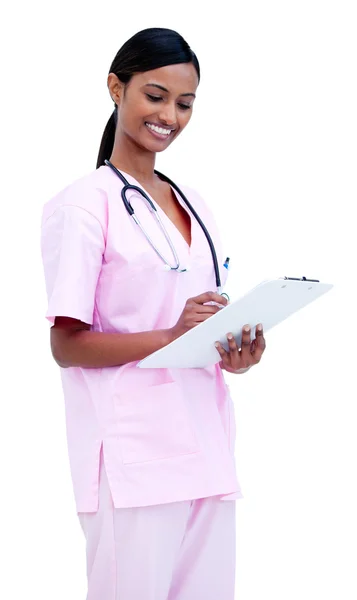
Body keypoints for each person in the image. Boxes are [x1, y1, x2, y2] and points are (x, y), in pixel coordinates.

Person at [41, 27, 266, 600]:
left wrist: (234, 353)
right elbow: (66, 345)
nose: (170, 114)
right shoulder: (83, 205)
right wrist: (168, 335)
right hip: (133, 456)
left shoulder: (193, 201)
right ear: (116, 89)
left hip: (208, 447)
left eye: (185, 103)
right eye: (156, 95)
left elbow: (195, 323)